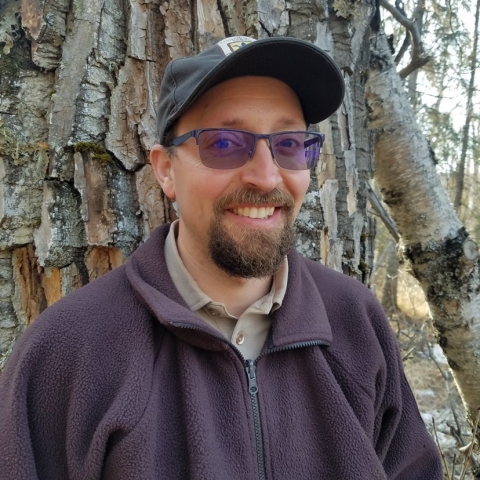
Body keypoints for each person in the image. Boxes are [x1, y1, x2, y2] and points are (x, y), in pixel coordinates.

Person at [0, 36, 442, 479]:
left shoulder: (355, 323)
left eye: (289, 144)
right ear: (166, 170)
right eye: (225, 144)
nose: (266, 176)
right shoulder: (67, 354)